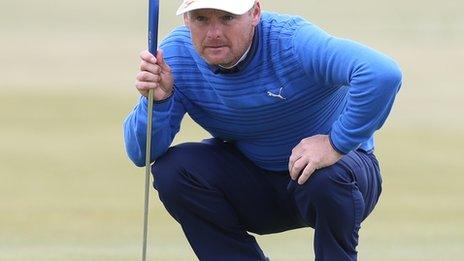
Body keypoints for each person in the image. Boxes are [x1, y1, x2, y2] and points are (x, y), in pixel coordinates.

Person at [124, 0, 402, 260]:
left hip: (337, 179)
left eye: (227, 18)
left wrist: (335, 143)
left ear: (255, 13)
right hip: (256, 182)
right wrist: (159, 104)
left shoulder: (292, 41)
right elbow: (141, 153)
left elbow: (381, 73)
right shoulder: (174, 55)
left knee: (326, 178)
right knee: (174, 170)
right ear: (186, 19)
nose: (214, 32)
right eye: (201, 19)